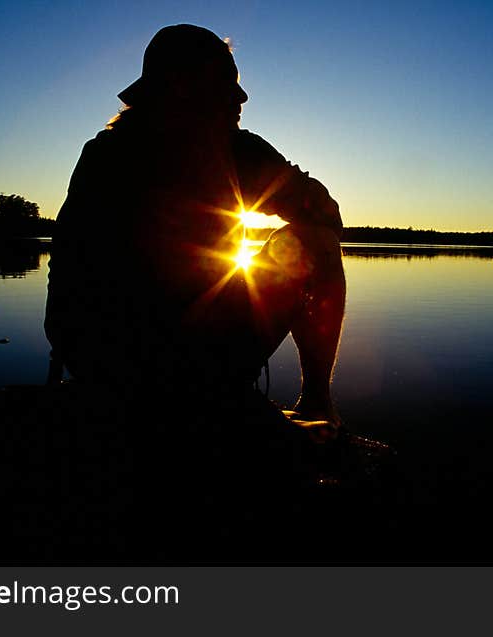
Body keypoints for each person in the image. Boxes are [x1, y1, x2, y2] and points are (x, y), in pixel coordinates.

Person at [45, 24, 346, 431]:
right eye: (228, 83)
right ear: (182, 85)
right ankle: (314, 404)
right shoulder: (232, 149)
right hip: (168, 363)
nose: (242, 97)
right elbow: (326, 218)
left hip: (103, 365)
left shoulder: (103, 152)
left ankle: (210, 400)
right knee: (314, 244)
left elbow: (62, 298)